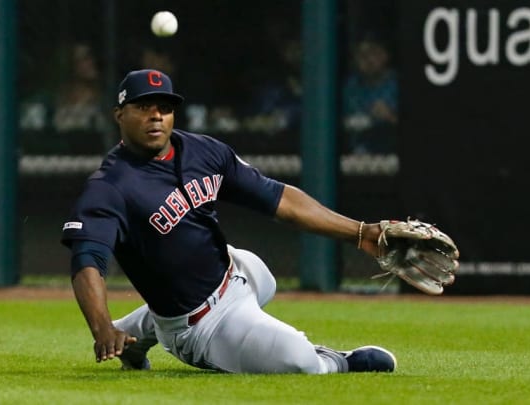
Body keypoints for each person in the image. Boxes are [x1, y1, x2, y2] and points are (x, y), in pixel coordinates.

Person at [61, 69, 396, 374]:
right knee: (302, 363)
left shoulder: (202, 151)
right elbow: (87, 260)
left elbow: (280, 199)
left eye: (164, 106)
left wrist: (361, 232)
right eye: (143, 106)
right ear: (119, 114)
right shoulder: (109, 186)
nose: (156, 115)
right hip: (198, 325)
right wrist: (102, 328)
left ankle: (136, 332)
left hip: (235, 275)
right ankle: (337, 361)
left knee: (263, 274)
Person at [342, 38, 399, 154]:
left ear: (385, 55)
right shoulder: (351, 86)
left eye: (373, 53)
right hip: (354, 153)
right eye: (361, 55)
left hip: (391, 152)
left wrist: (390, 117)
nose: (367, 59)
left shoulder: (398, 84)